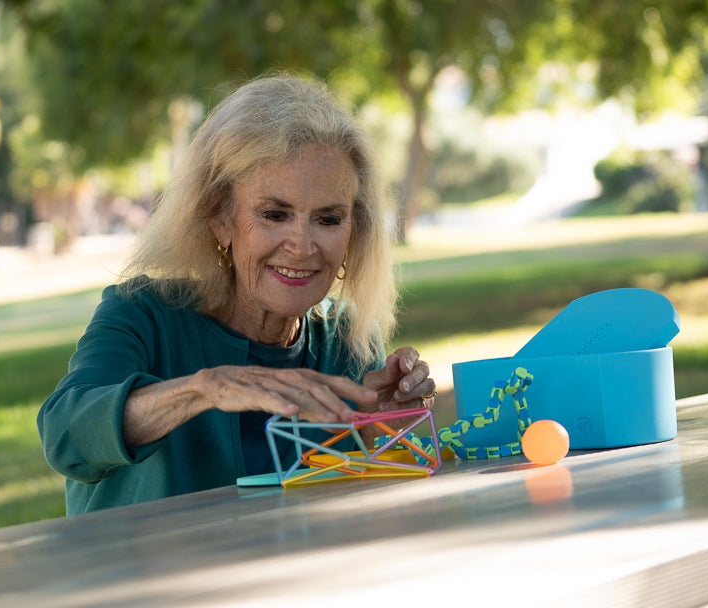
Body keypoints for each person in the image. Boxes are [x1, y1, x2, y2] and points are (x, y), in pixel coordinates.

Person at [38, 75, 437, 515]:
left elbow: (359, 504)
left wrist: (381, 426)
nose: (302, 245)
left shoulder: (347, 340)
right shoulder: (142, 313)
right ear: (220, 219)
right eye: (274, 214)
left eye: (327, 219)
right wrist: (204, 389)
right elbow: (65, 435)